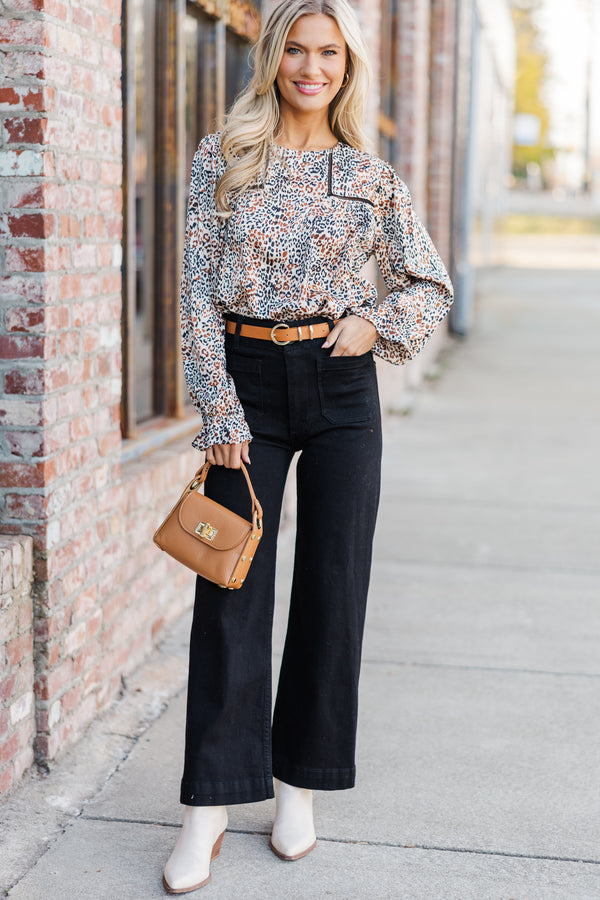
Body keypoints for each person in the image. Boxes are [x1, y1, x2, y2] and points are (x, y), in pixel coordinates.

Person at [163, 0, 453, 892]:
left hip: (338, 388)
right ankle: (209, 805)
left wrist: (375, 322)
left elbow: (428, 283)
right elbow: (197, 293)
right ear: (273, 56)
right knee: (230, 589)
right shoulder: (225, 156)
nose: (312, 66)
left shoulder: (370, 176)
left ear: (347, 65)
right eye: (297, 48)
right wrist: (219, 412)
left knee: (333, 589)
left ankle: (298, 787)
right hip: (245, 382)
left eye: (328, 52)